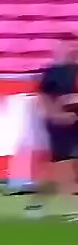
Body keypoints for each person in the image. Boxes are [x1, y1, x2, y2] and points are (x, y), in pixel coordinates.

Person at [28, 36, 78, 219]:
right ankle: (72, 208)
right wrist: (57, 115)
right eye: (68, 46)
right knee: (64, 167)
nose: (73, 50)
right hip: (60, 126)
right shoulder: (52, 73)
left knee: (67, 169)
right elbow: (44, 98)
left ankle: (38, 203)